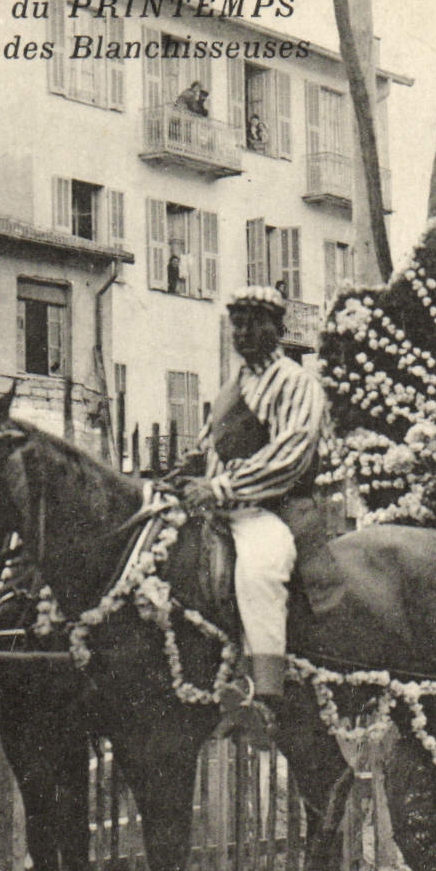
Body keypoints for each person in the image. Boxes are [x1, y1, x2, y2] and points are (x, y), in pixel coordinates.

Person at [181, 286, 325, 706]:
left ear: (276, 329)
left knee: (260, 570)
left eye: (253, 323)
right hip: (219, 511)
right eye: (236, 323)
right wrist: (190, 469)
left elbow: (289, 455)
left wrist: (220, 487)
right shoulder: (233, 386)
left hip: (267, 511)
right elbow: (209, 446)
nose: (241, 332)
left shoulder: (297, 383)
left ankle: (265, 694)